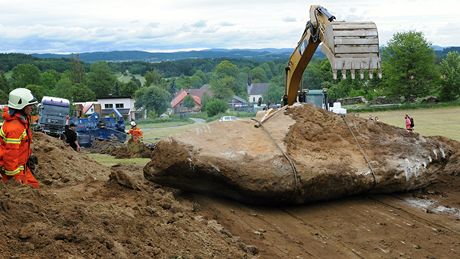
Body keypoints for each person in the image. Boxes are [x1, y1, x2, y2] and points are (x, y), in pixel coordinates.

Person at [0, 88, 39, 188]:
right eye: (29, 105)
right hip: (12, 172)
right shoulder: (15, 128)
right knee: (29, 194)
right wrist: (15, 181)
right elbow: (10, 156)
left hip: (21, 167)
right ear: (21, 106)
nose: (32, 107)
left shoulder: (21, 122)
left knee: (35, 187)